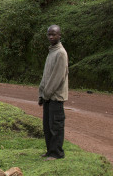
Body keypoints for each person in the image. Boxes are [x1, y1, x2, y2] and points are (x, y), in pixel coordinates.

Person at [38, 25, 68, 161]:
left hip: (56, 96)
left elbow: (57, 77)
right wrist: (41, 94)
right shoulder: (51, 52)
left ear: (59, 35)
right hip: (47, 96)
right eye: (49, 34)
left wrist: (47, 94)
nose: (51, 37)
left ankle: (57, 153)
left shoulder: (61, 53)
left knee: (56, 126)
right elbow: (46, 76)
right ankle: (50, 151)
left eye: (54, 34)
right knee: (47, 126)